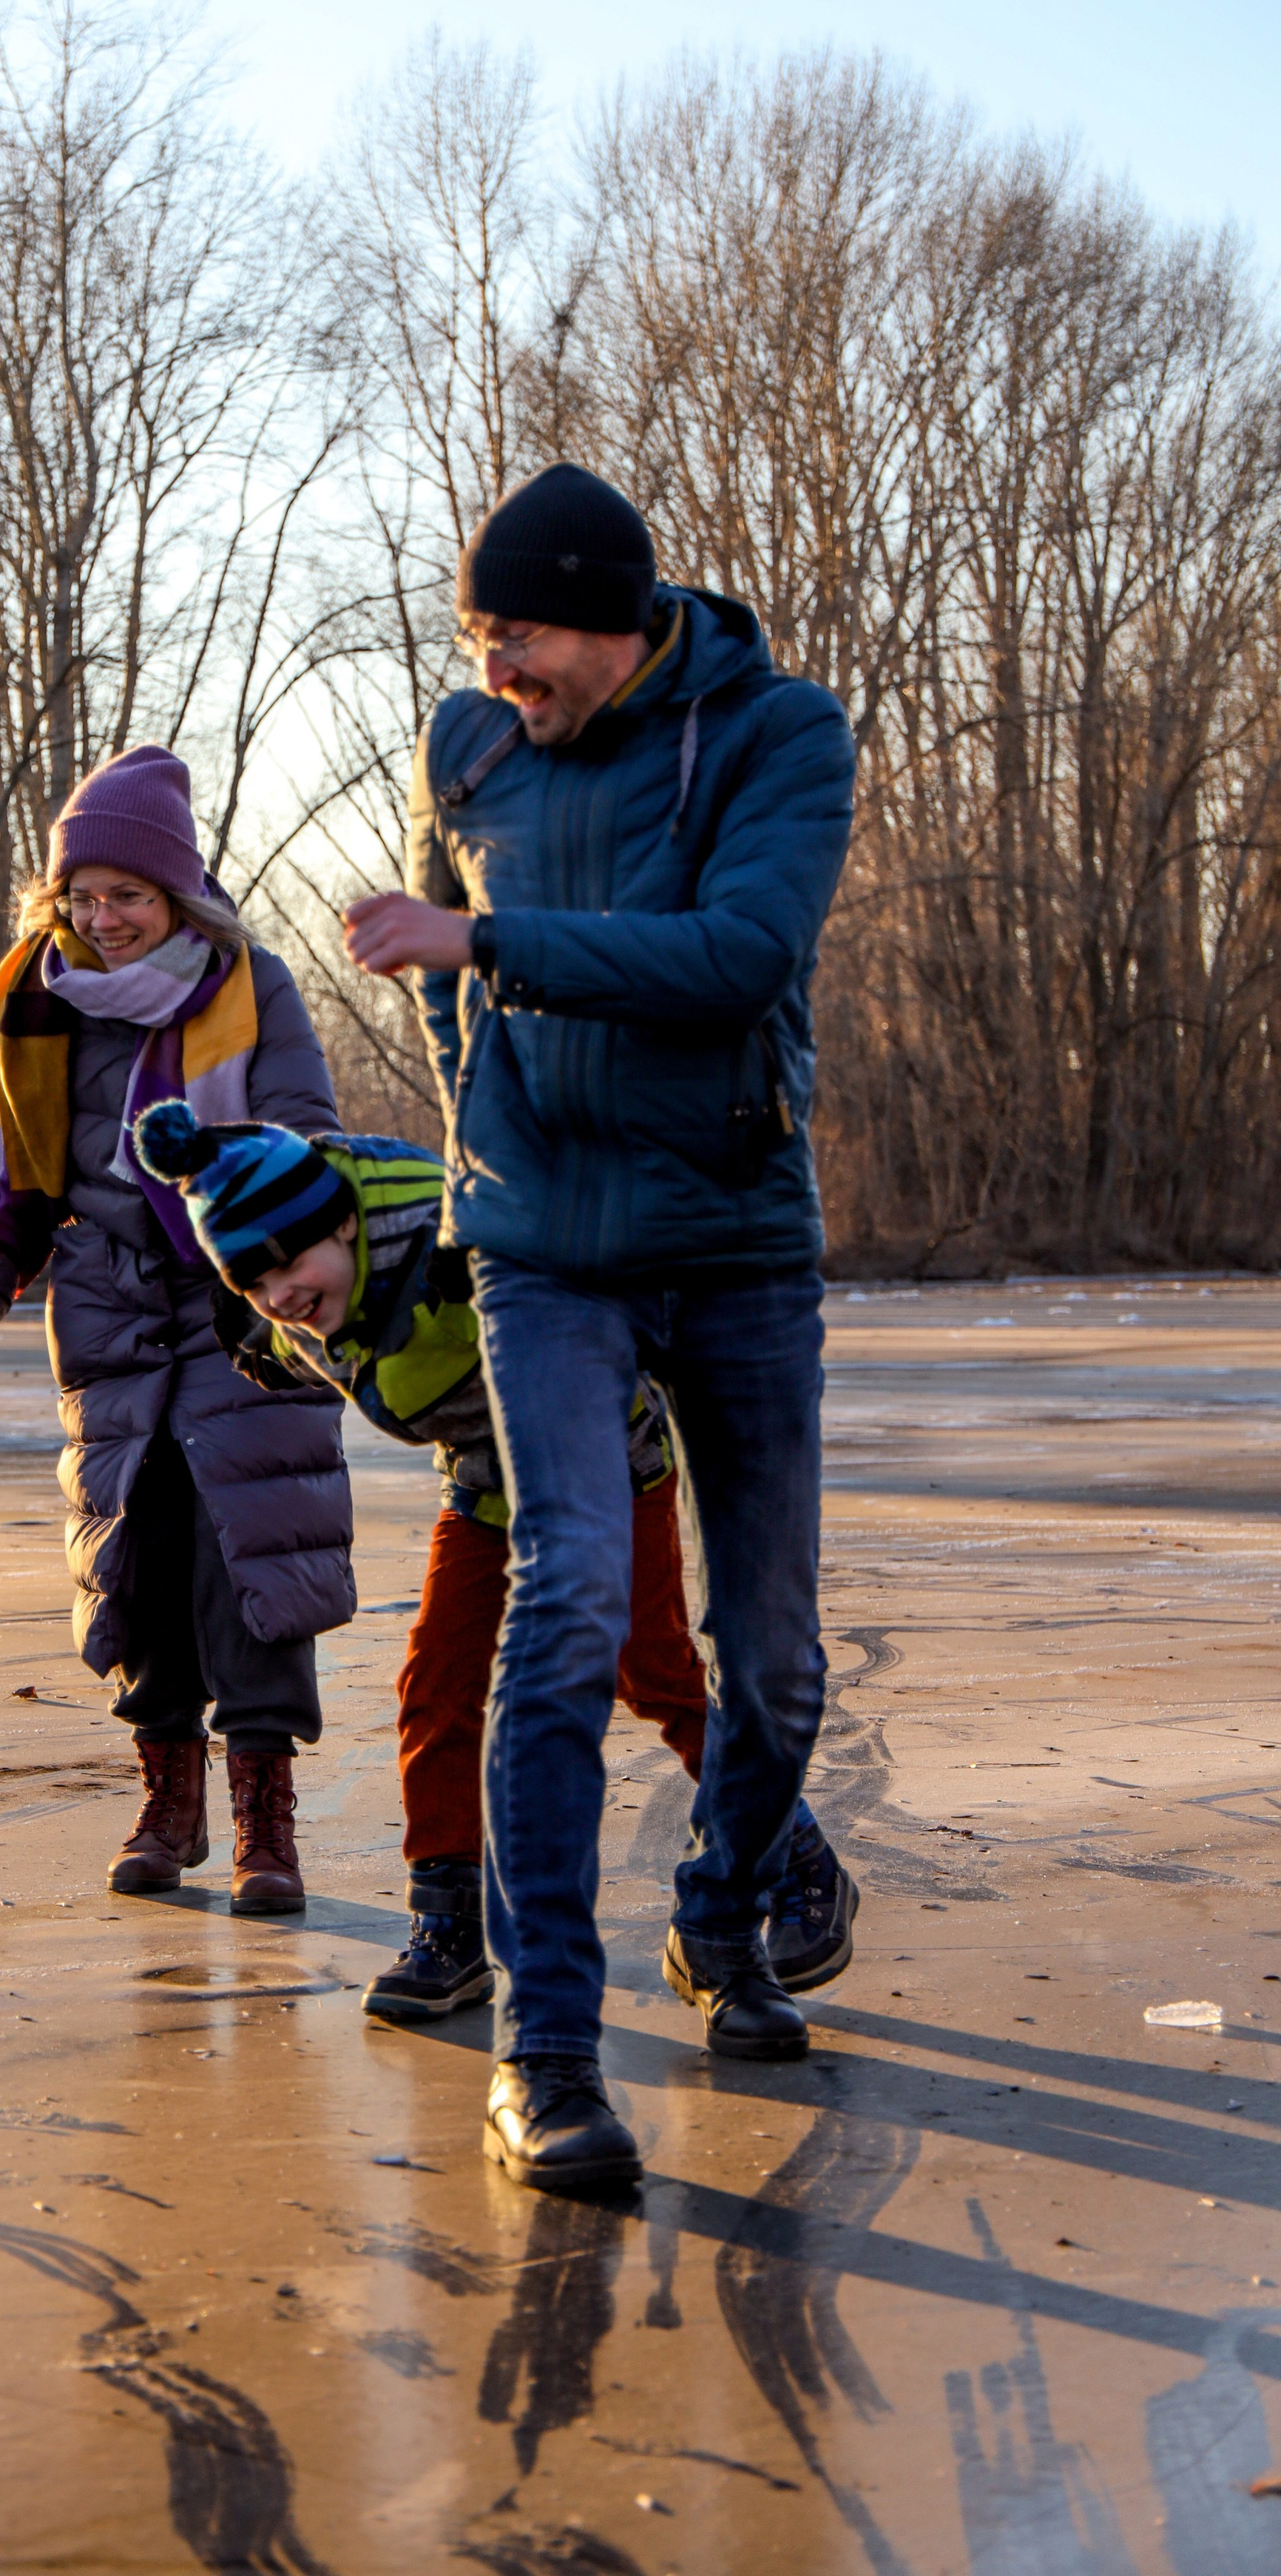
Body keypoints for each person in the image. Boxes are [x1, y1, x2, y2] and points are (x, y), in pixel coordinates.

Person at [344, 461, 857, 2191]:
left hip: (729, 1243)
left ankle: (720, 1911)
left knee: (771, 1656)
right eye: (479, 640)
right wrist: (485, 1129)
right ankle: (543, 2054)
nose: (499, 674)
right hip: (540, 1249)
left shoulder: (776, 732)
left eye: (524, 638)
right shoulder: (464, 749)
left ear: (617, 622)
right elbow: (442, 1001)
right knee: (564, 1607)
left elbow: (738, 951)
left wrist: (485, 941)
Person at [132, 1099, 855, 2053]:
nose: (278, 1291)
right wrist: (256, 1335)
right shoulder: (291, 1303)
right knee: (438, 1687)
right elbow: (299, 1331)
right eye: (251, 1276)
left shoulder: (464, 1242)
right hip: (485, 1481)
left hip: (607, 1456)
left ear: (343, 1222)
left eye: (287, 1262)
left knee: (654, 1671)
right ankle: (449, 1926)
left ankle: (795, 1852)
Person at [0, 744, 353, 1915]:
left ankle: (268, 1821)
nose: (104, 918)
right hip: (109, 1304)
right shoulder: (30, 996)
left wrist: (273, 1259)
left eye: (129, 895)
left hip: (240, 1302)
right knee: (141, 1556)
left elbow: (306, 1128)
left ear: (178, 899)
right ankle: (168, 1802)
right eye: (84, 895)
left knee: (257, 1557)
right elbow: (3, 1154)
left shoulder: (247, 982)